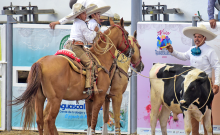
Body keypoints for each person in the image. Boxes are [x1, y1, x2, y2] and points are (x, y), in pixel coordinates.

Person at [166, 24, 220, 135]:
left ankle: (208, 133)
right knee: (192, 109)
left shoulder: (210, 51)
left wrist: (217, 83)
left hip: (205, 84)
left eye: (199, 37)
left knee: (207, 110)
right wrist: (172, 51)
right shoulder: (191, 50)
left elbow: (217, 66)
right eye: (195, 36)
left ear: (204, 38)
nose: (196, 39)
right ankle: (195, 133)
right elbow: (182, 56)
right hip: (192, 86)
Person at [49, 3, 100, 92]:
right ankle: (88, 87)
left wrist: (57, 22)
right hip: (76, 47)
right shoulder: (82, 24)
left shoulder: (76, 21)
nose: (86, 15)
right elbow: (89, 39)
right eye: (84, 13)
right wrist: (95, 32)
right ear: (79, 15)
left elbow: (67, 18)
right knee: (90, 64)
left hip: (69, 45)